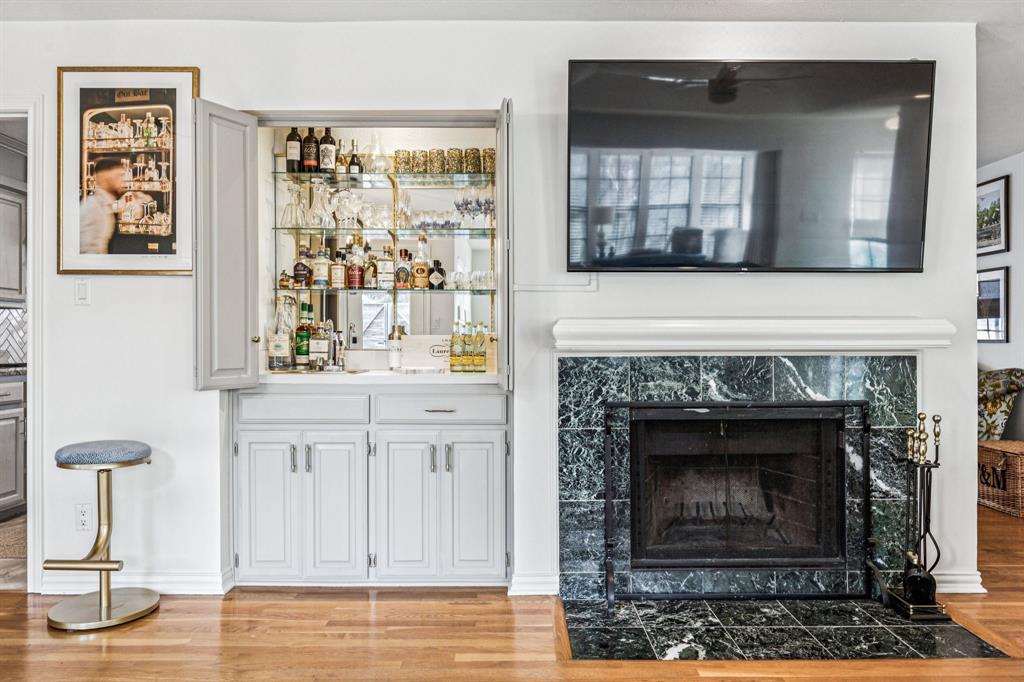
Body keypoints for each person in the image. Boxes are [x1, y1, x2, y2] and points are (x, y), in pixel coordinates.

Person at [79, 156, 125, 254]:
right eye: (119, 175)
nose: (123, 180)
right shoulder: (93, 206)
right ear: (106, 177)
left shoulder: (105, 204)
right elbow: (87, 250)